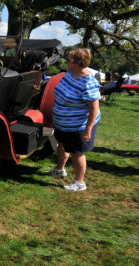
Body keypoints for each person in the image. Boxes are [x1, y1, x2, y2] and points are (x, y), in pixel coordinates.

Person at [47, 48, 101, 192]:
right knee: (62, 145)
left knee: (77, 153)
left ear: (77, 63)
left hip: (78, 126)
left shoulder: (88, 82)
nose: (66, 61)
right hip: (63, 123)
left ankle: (80, 182)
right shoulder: (70, 73)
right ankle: (60, 169)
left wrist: (87, 130)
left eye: (69, 60)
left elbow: (94, 109)